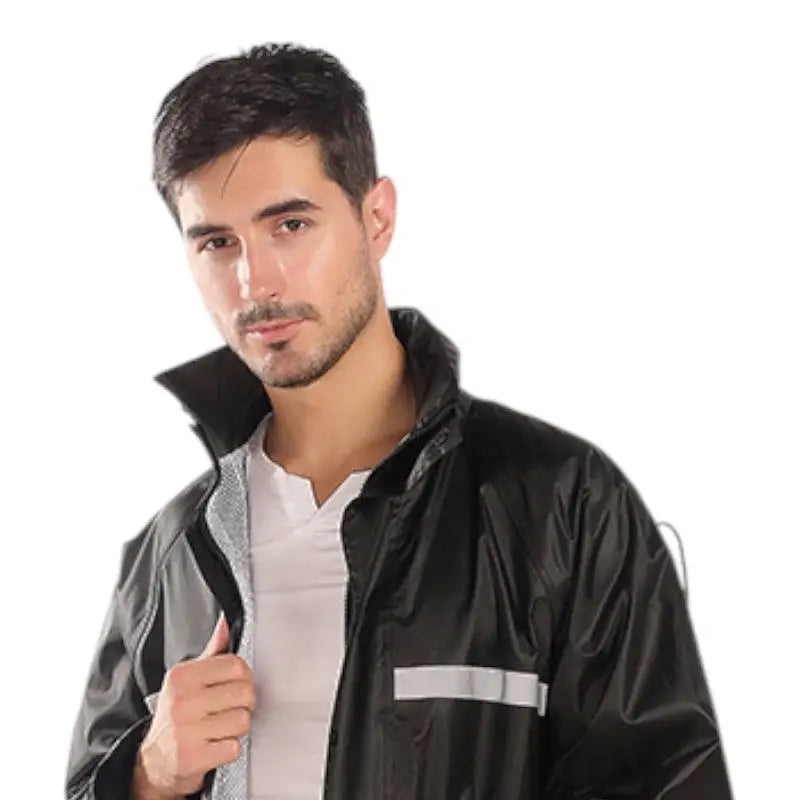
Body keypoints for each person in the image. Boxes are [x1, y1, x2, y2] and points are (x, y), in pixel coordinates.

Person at [65, 43, 733, 800]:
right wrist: (148, 775)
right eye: (218, 242)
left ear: (376, 217)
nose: (255, 281)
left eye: (291, 225)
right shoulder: (174, 553)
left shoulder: (561, 508)